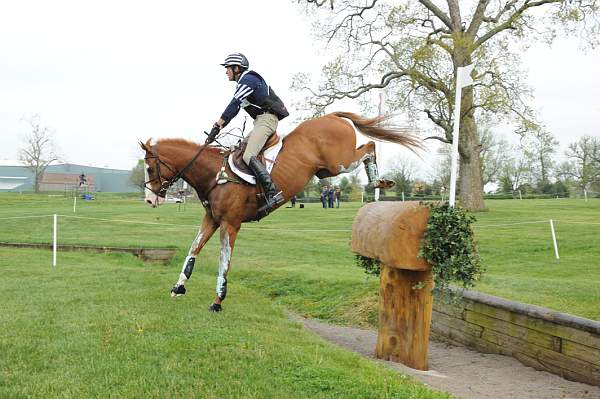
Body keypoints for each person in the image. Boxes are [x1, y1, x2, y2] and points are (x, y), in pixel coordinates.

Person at [206, 53, 289, 215]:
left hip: (266, 119)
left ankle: (273, 193)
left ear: (237, 68)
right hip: (260, 121)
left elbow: (234, 104)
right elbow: (235, 110)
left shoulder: (248, 79)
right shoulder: (243, 83)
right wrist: (218, 129)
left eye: (228, 68)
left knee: (248, 155)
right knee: (239, 151)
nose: (226, 72)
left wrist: (217, 125)